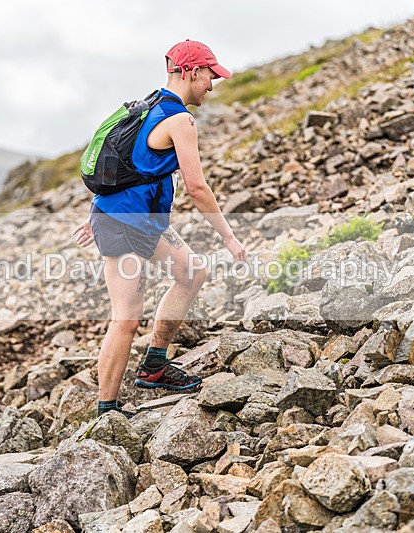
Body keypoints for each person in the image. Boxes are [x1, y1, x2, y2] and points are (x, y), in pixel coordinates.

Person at [72, 39, 247, 417]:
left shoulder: (146, 105)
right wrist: (228, 236)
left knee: (192, 271)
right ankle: (106, 413)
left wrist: (98, 210)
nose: (212, 85)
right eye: (210, 76)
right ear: (192, 72)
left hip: (136, 220)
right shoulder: (180, 120)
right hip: (123, 224)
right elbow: (197, 188)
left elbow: (129, 165)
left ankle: (154, 366)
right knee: (127, 316)